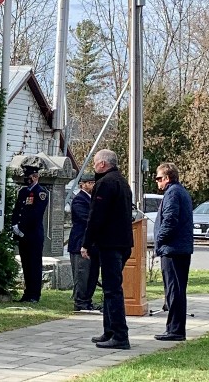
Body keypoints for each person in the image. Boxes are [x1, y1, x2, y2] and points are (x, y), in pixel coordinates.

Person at [81, 149, 133, 350]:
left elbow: (96, 217)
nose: (94, 167)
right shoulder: (122, 181)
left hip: (110, 243)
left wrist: (86, 242)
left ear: (103, 164)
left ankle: (120, 335)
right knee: (111, 289)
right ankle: (109, 330)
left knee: (112, 290)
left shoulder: (105, 184)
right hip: (122, 243)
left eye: (95, 163)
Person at [153, 162, 194, 341]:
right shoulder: (179, 191)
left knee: (173, 290)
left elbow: (170, 220)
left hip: (173, 249)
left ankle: (175, 330)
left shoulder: (173, 193)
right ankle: (174, 329)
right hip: (179, 248)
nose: (157, 182)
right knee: (177, 290)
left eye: (159, 178)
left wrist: (159, 240)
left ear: (167, 178)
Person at [10, 163, 49, 303]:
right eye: (26, 177)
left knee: (34, 264)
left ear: (35, 177)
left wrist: (23, 228)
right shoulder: (23, 192)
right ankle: (27, 293)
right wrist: (14, 225)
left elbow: (35, 215)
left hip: (33, 235)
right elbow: (18, 210)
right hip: (21, 234)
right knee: (26, 264)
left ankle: (34, 294)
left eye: (30, 177)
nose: (27, 180)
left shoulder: (41, 193)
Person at [68, 172, 101, 312]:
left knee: (92, 274)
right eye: (90, 183)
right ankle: (80, 301)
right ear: (83, 184)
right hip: (80, 243)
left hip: (93, 244)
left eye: (94, 183)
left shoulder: (94, 199)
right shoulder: (79, 200)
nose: (93, 186)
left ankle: (87, 300)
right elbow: (86, 219)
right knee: (82, 274)